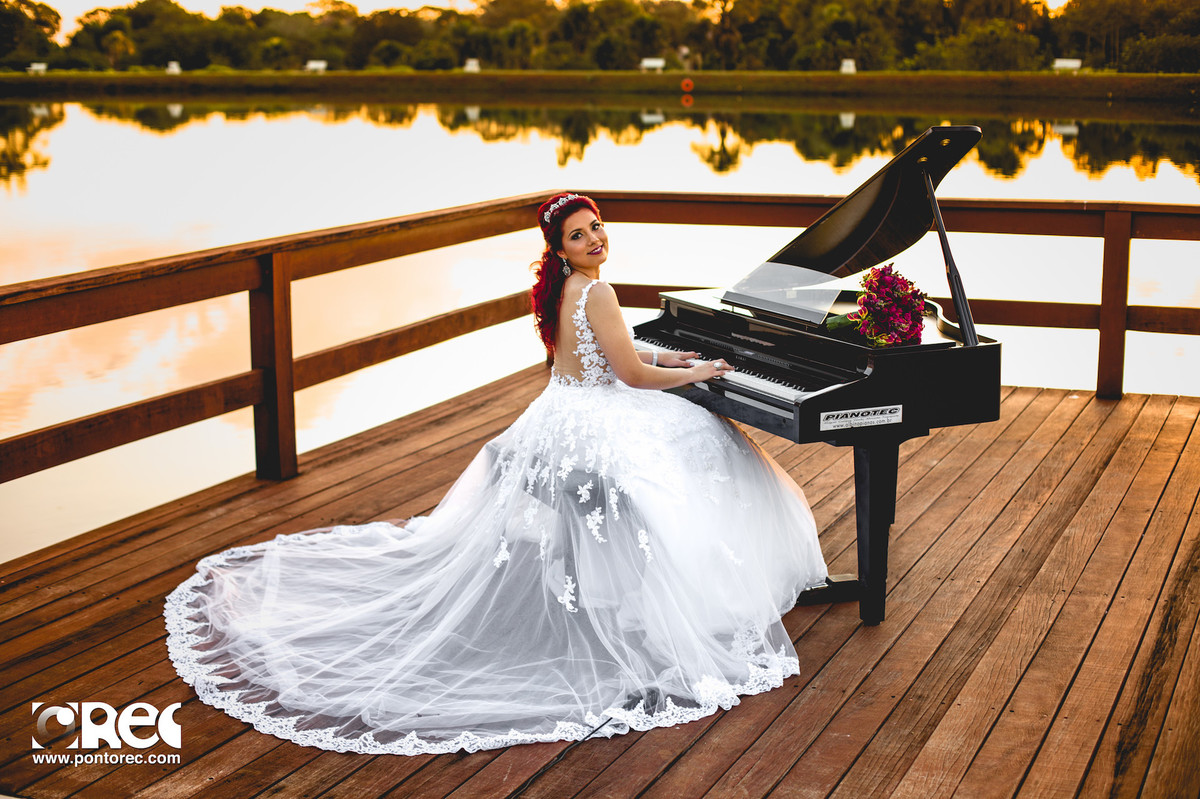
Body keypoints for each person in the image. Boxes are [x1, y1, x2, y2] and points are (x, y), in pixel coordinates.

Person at [164, 192, 828, 756]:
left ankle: (630, 581)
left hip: (559, 413)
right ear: (563, 248)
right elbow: (629, 374)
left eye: (596, 226)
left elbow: (610, 347)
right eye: (579, 235)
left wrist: (669, 350)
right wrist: (699, 372)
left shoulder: (569, 290)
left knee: (700, 439)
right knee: (715, 440)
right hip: (600, 415)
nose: (595, 238)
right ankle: (695, 593)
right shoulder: (596, 289)